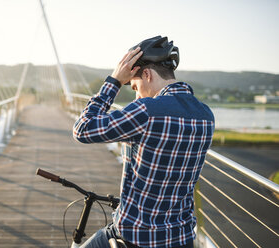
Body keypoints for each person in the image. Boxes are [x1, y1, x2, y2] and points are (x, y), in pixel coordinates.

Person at [73, 36, 215, 248]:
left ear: (147, 74)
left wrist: (114, 81)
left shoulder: (146, 110)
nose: (137, 97)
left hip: (136, 237)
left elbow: (83, 129)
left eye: (134, 87)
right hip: (181, 238)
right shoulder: (206, 115)